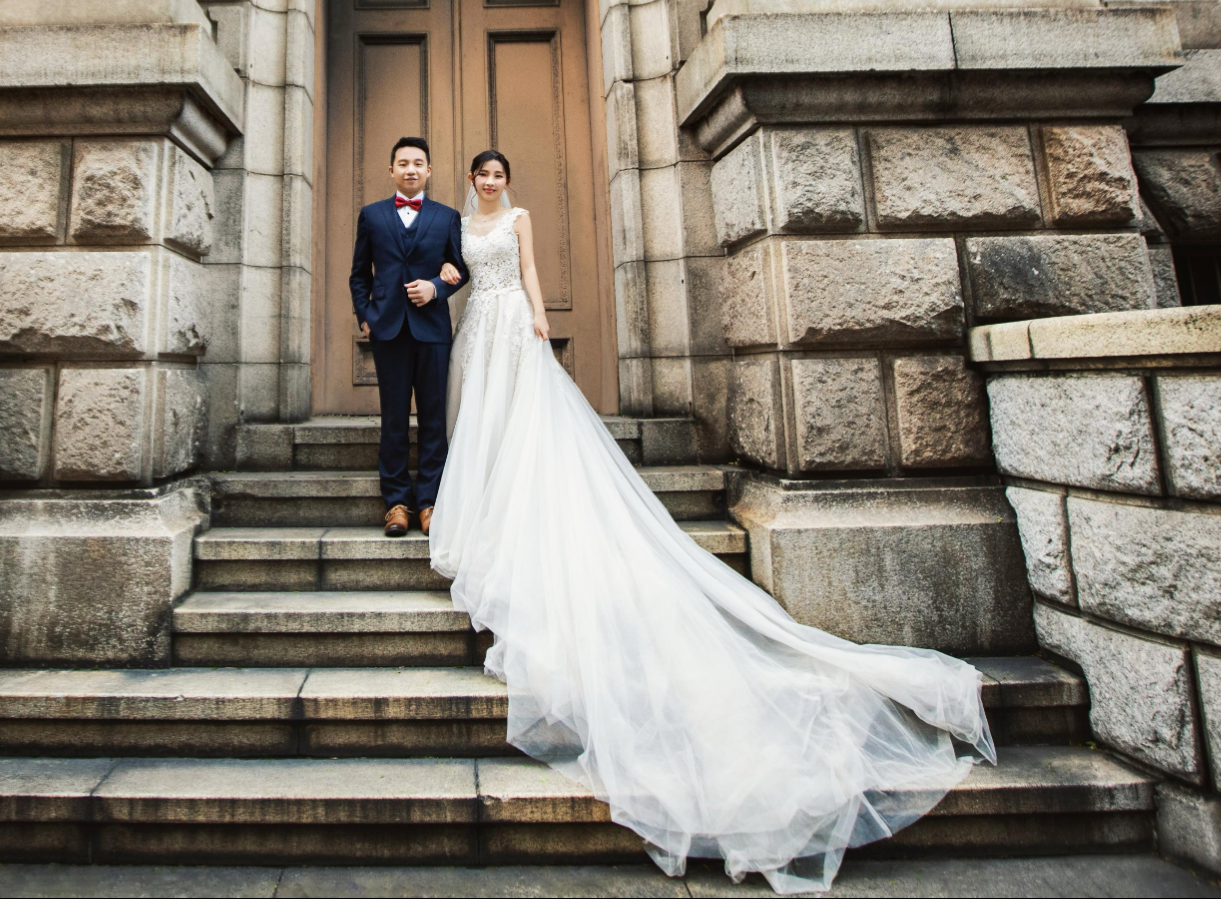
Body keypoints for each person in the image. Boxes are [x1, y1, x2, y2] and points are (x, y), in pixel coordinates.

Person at [427, 149, 993, 894]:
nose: (493, 182)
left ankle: (513, 499)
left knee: (519, 418)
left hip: (514, 325)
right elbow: (456, 273)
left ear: (507, 177)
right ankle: (485, 498)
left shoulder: (521, 218)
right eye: (485, 175)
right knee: (480, 420)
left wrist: (537, 313)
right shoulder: (458, 225)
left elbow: (527, 269)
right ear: (472, 180)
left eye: (501, 173)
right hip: (475, 324)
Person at [348, 136, 466, 538]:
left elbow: (460, 269)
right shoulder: (372, 215)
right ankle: (396, 503)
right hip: (388, 329)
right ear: (392, 170)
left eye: (418, 163)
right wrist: (366, 315)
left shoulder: (447, 216)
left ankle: (430, 501)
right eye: (403, 163)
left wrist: (437, 287)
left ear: (428, 171)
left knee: (434, 418)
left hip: (432, 329)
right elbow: (359, 273)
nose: (411, 169)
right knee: (394, 418)